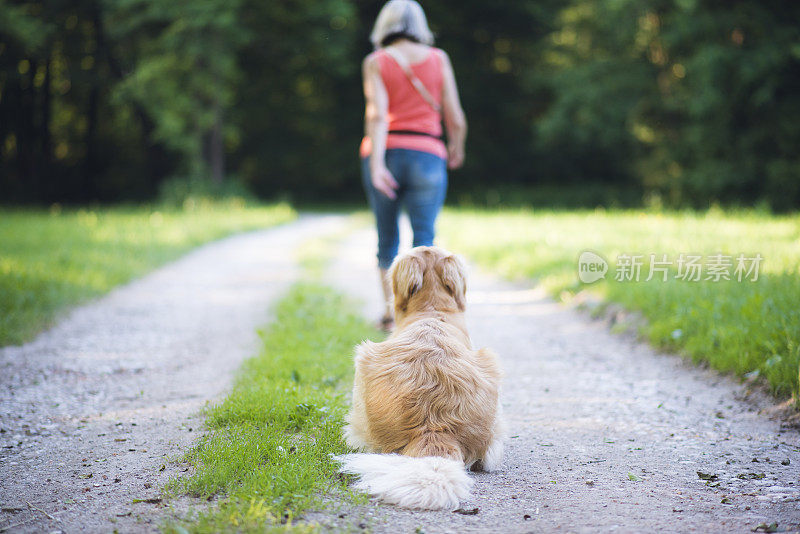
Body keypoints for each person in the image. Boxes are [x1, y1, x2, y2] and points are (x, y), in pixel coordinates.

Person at [360, 0, 467, 331]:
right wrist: (455, 146)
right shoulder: (439, 59)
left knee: (387, 239)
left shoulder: (377, 61)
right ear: (420, 25)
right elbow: (455, 116)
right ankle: (427, 316)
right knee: (425, 240)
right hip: (427, 153)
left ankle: (393, 315)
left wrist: (377, 164)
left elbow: (377, 115)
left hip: (387, 151)